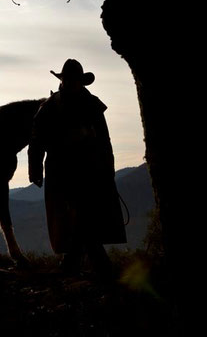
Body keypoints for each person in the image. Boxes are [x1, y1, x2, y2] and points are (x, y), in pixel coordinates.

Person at [28, 59, 126, 279]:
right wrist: (35, 169)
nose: (71, 83)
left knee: (84, 217)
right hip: (60, 172)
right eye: (68, 79)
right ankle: (93, 267)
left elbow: (104, 139)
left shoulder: (91, 104)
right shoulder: (50, 107)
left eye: (74, 80)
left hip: (89, 170)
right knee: (73, 218)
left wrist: (107, 168)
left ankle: (75, 266)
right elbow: (36, 139)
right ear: (63, 80)